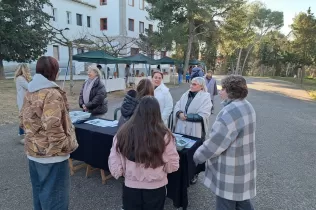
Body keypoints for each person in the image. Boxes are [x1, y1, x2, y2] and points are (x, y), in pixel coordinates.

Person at [19, 56, 78, 210]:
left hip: (33, 153)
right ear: (54, 72)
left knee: (40, 197)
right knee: (55, 201)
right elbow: (53, 127)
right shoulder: (51, 93)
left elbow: (22, 120)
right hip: (52, 157)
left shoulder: (30, 91)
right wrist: (66, 146)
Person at [193, 75, 256, 210]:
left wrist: (197, 156)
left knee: (226, 204)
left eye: (223, 89)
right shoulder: (247, 105)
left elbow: (215, 144)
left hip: (230, 170)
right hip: (244, 165)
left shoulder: (230, 112)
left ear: (231, 92)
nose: (220, 92)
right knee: (242, 201)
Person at [109, 96, 180, 210]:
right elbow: (173, 165)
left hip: (131, 186)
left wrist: (122, 172)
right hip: (156, 187)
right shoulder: (164, 135)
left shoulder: (123, 132)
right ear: (157, 113)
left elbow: (114, 160)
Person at [14, 63, 32, 144]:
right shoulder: (20, 78)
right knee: (24, 117)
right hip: (23, 101)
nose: (29, 70)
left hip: (24, 101)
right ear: (24, 69)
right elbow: (29, 87)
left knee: (24, 117)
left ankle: (21, 133)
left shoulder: (22, 78)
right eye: (28, 69)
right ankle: (22, 133)